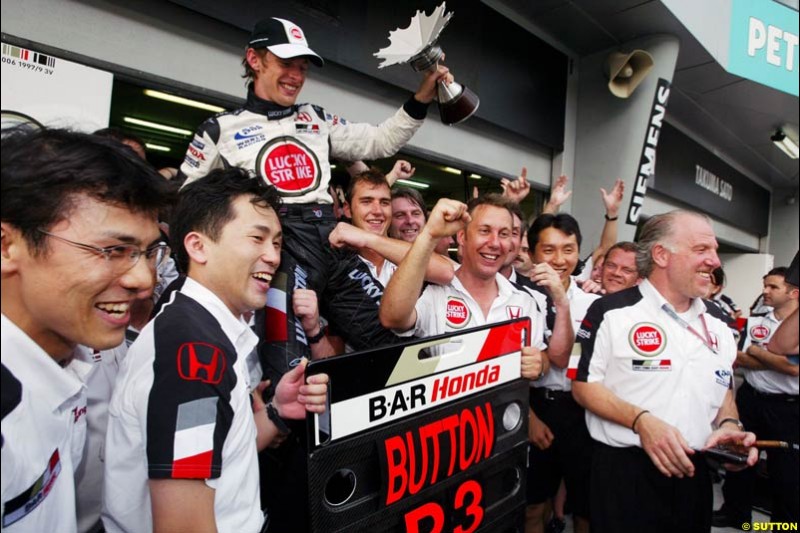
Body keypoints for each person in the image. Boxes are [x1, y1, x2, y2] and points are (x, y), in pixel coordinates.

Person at [178, 16, 452, 384]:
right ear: (255, 60)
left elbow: (379, 142)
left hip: (332, 240)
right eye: (286, 64)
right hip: (278, 250)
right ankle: (283, 434)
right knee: (287, 366)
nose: (296, 75)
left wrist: (422, 97)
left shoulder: (316, 118)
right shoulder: (220, 128)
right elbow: (182, 202)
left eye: (302, 67)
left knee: (395, 343)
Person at [102, 168, 329, 533]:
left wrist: (277, 413)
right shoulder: (192, 348)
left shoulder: (209, 328)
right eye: (257, 238)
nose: (272, 256)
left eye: (276, 243)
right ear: (198, 246)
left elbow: (215, 454)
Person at [1, 128, 171, 533]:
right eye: (113, 251)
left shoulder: (66, 363)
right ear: (7, 246)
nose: (144, 280)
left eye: (149, 253)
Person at [572, 210, 758, 533]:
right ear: (661, 254)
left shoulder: (720, 323)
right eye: (702, 250)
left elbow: (723, 387)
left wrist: (729, 425)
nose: (715, 261)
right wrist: (642, 421)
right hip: (625, 475)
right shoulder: (609, 311)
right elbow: (583, 385)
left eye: (714, 251)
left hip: (694, 474)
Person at [379, 194, 546, 379]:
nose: (495, 243)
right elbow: (392, 318)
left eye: (504, 234)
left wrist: (540, 363)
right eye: (484, 231)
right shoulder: (437, 295)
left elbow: (542, 355)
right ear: (462, 237)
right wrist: (429, 235)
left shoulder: (524, 301)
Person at [524, 213, 600, 533]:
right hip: (536, 407)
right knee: (533, 505)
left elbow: (573, 361)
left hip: (583, 413)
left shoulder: (595, 304)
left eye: (568, 249)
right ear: (531, 254)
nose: (559, 259)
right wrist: (529, 417)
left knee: (586, 507)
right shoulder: (515, 298)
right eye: (549, 250)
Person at [713, 266, 799, 527]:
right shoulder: (755, 321)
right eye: (765, 285)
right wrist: (778, 361)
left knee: (787, 472)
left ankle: (786, 524)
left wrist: (758, 353)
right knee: (738, 458)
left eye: (773, 287)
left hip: (788, 406)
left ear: (793, 292)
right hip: (750, 399)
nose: (765, 291)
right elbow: (735, 356)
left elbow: (795, 369)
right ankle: (736, 514)